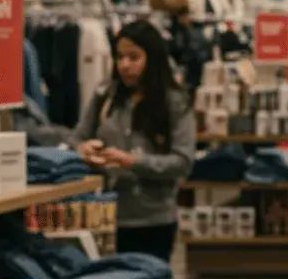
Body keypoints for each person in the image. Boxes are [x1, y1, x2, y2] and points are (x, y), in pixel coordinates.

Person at [72, 20, 195, 261]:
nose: (125, 65)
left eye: (134, 57)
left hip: (153, 220)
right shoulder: (105, 96)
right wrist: (83, 150)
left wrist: (132, 161)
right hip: (106, 217)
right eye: (120, 57)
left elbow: (183, 161)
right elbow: (78, 137)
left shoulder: (174, 102)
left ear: (152, 58)